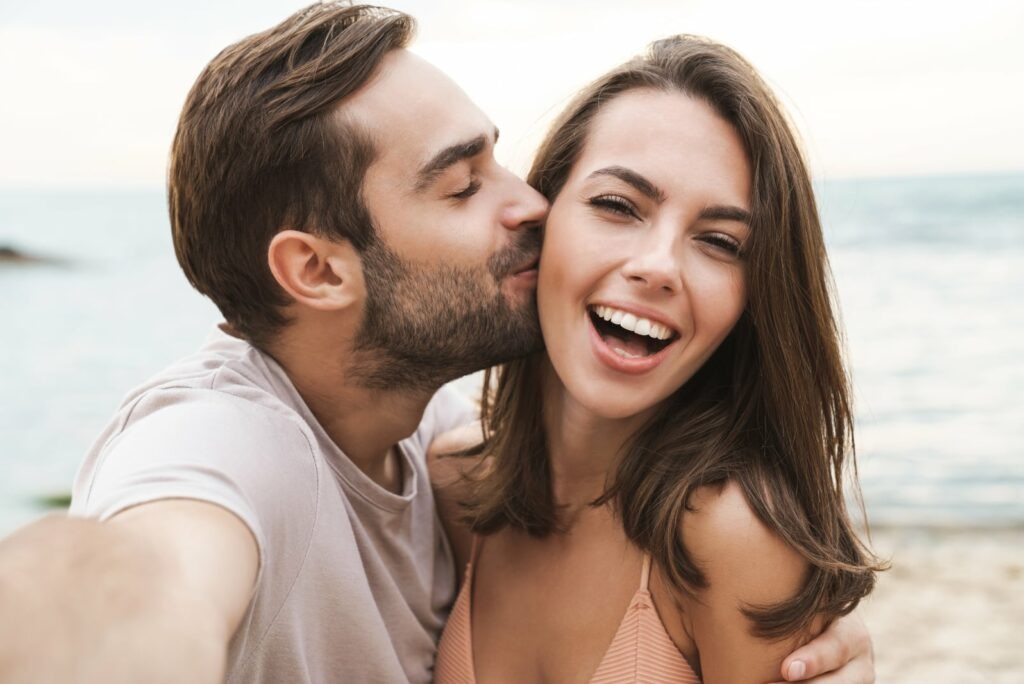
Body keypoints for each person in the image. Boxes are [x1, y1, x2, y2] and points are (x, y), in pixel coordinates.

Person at [0, 4, 874, 683]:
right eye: (463, 185)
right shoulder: (240, 445)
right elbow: (160, 563)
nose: (529, 204)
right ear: (318, 271)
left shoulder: (441, 456)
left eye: (722, 241)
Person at [431, 35, 884, 683]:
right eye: (618, 206)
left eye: (721, 242)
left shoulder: (732, 539)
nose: (658, 267)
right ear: (542, 215)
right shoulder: (452, 483)